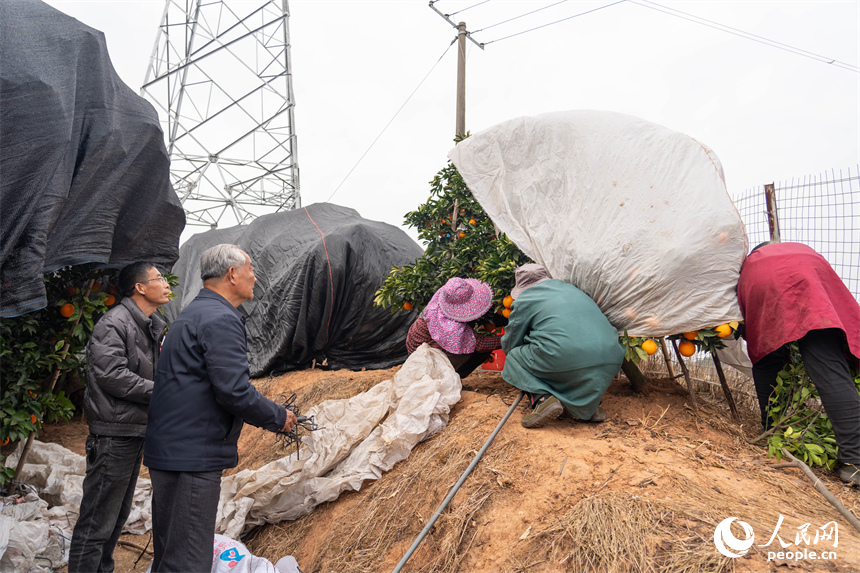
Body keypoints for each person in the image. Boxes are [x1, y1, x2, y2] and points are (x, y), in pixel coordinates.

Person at [144, 244, 297, 572]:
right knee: (188, 560)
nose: (255, 277)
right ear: (232, 274)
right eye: (251, 270)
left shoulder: (192, 314)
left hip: (170, 449)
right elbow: (234, 392)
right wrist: (279, 417)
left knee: (170, 553)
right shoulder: (221, 319)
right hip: (192, 456)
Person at [68, 262, 171, 573]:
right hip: (113, 434)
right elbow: (113, 375)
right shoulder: (114, 324)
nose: (166, 283)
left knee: (115, 517)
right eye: (159, 278)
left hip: (131, 429)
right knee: (97, 520)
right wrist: (165, 391)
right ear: (140, 287)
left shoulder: (147, 324)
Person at [737, 241, 860, 486]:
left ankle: (772, 430)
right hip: (809, 273)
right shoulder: (797, 248)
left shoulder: (751, 263)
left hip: (762, 281)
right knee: (827, 365)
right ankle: (854, 461)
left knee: (767, 357)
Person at [501, 264, 625, 428]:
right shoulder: (573, 290)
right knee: (576, 357)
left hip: (565, 355)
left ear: (522, 287)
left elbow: (511, 342)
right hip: (612, 356)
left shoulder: (526, 298)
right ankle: (590, 406)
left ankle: (542, 400)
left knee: (514, 358)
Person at [405, 277, 502, 378]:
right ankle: (443, 378)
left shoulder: (440, 301)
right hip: (423, 358)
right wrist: (511, 338)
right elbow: (481, 344)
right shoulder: (451, 326)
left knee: (470, 347)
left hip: (419, 345)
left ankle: (449, 376)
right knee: (467, 349)